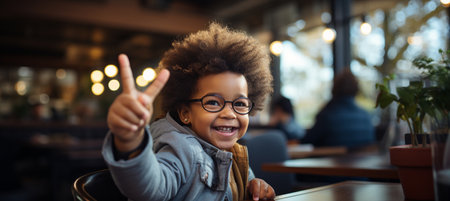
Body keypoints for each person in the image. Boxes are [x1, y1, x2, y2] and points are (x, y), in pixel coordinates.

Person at [102, 23, 276, 201]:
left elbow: (245, 187)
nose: (230, 114)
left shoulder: (234, 153)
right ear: (185, 113)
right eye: (214, 102)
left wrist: (256, 186)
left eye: (239, 103)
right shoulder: (182, 149)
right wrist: (131, 140)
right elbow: (151, 188)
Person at [301, 68, 375, 149]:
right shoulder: (366, 117)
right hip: (363, 161)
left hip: (330, 161)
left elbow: (307, 140)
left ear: (334, 89)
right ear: (356, 90)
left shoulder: (326, 116)